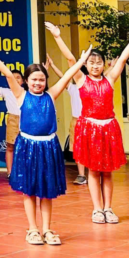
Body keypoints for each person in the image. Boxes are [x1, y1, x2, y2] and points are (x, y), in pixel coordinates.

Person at [0, 41, 92, 246]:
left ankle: (47, 229)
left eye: (41, 79)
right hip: (28, 147)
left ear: (46, 81)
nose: (38, 83)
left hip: (48, 147)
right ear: (26, 81)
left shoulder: (51, 95)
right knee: (30, 190)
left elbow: (68, 75)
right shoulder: (21, 95)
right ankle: (33, 229)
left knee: (47, 191)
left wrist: (81, 61)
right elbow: (7, 74)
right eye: (34, 79)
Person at [45, 21, 129, 225]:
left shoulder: (110, 79)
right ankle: (97, 209)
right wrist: (57, 36)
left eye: (98, 62)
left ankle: (108, 208)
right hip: (89, 129)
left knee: (107, 172)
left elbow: (123, 59)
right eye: (91, 62)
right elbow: (70, 58)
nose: (95, 66)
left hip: (108, 128)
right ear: (85, 65)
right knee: (93, 171)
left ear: (104, 64)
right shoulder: (80, 79)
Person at [48, 54, 88, 185]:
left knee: (93, 148)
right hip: (77, 121)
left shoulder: (92, 88)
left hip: (90, 121)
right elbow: (63, 77)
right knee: (78, 149)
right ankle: (81, 175)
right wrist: (53, 65)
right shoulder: (73, 88)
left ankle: (95, 173)